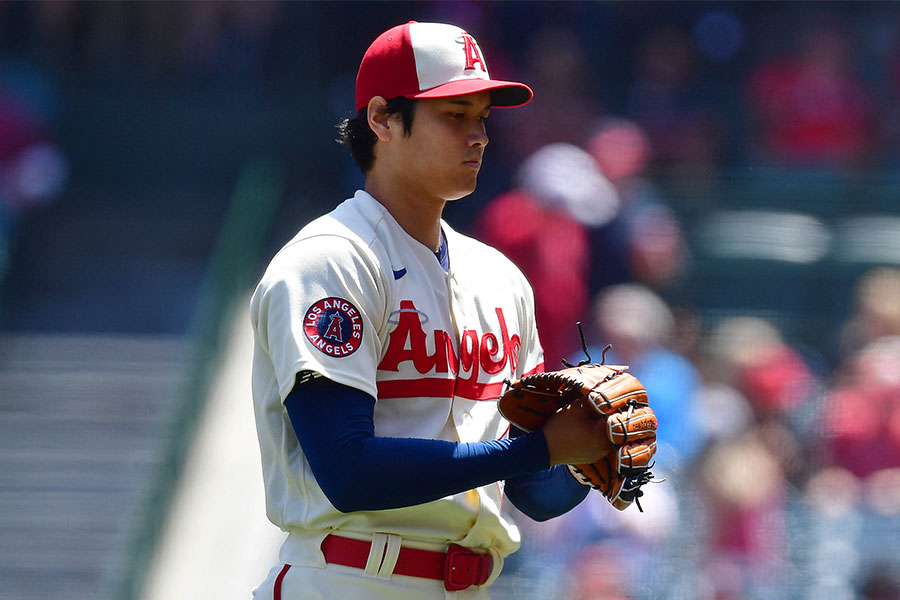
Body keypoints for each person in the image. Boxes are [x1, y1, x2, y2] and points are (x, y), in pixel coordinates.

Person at [249, 22, 613, 599]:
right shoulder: (330, 261)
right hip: (351, 577)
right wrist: (539, 449)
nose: (479, 136)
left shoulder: (501, 279)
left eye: (482, 117)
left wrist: (589, 449)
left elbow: (531, 491)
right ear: (382, 120)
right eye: (454, 115)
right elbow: (348, 471)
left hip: (471, 584)